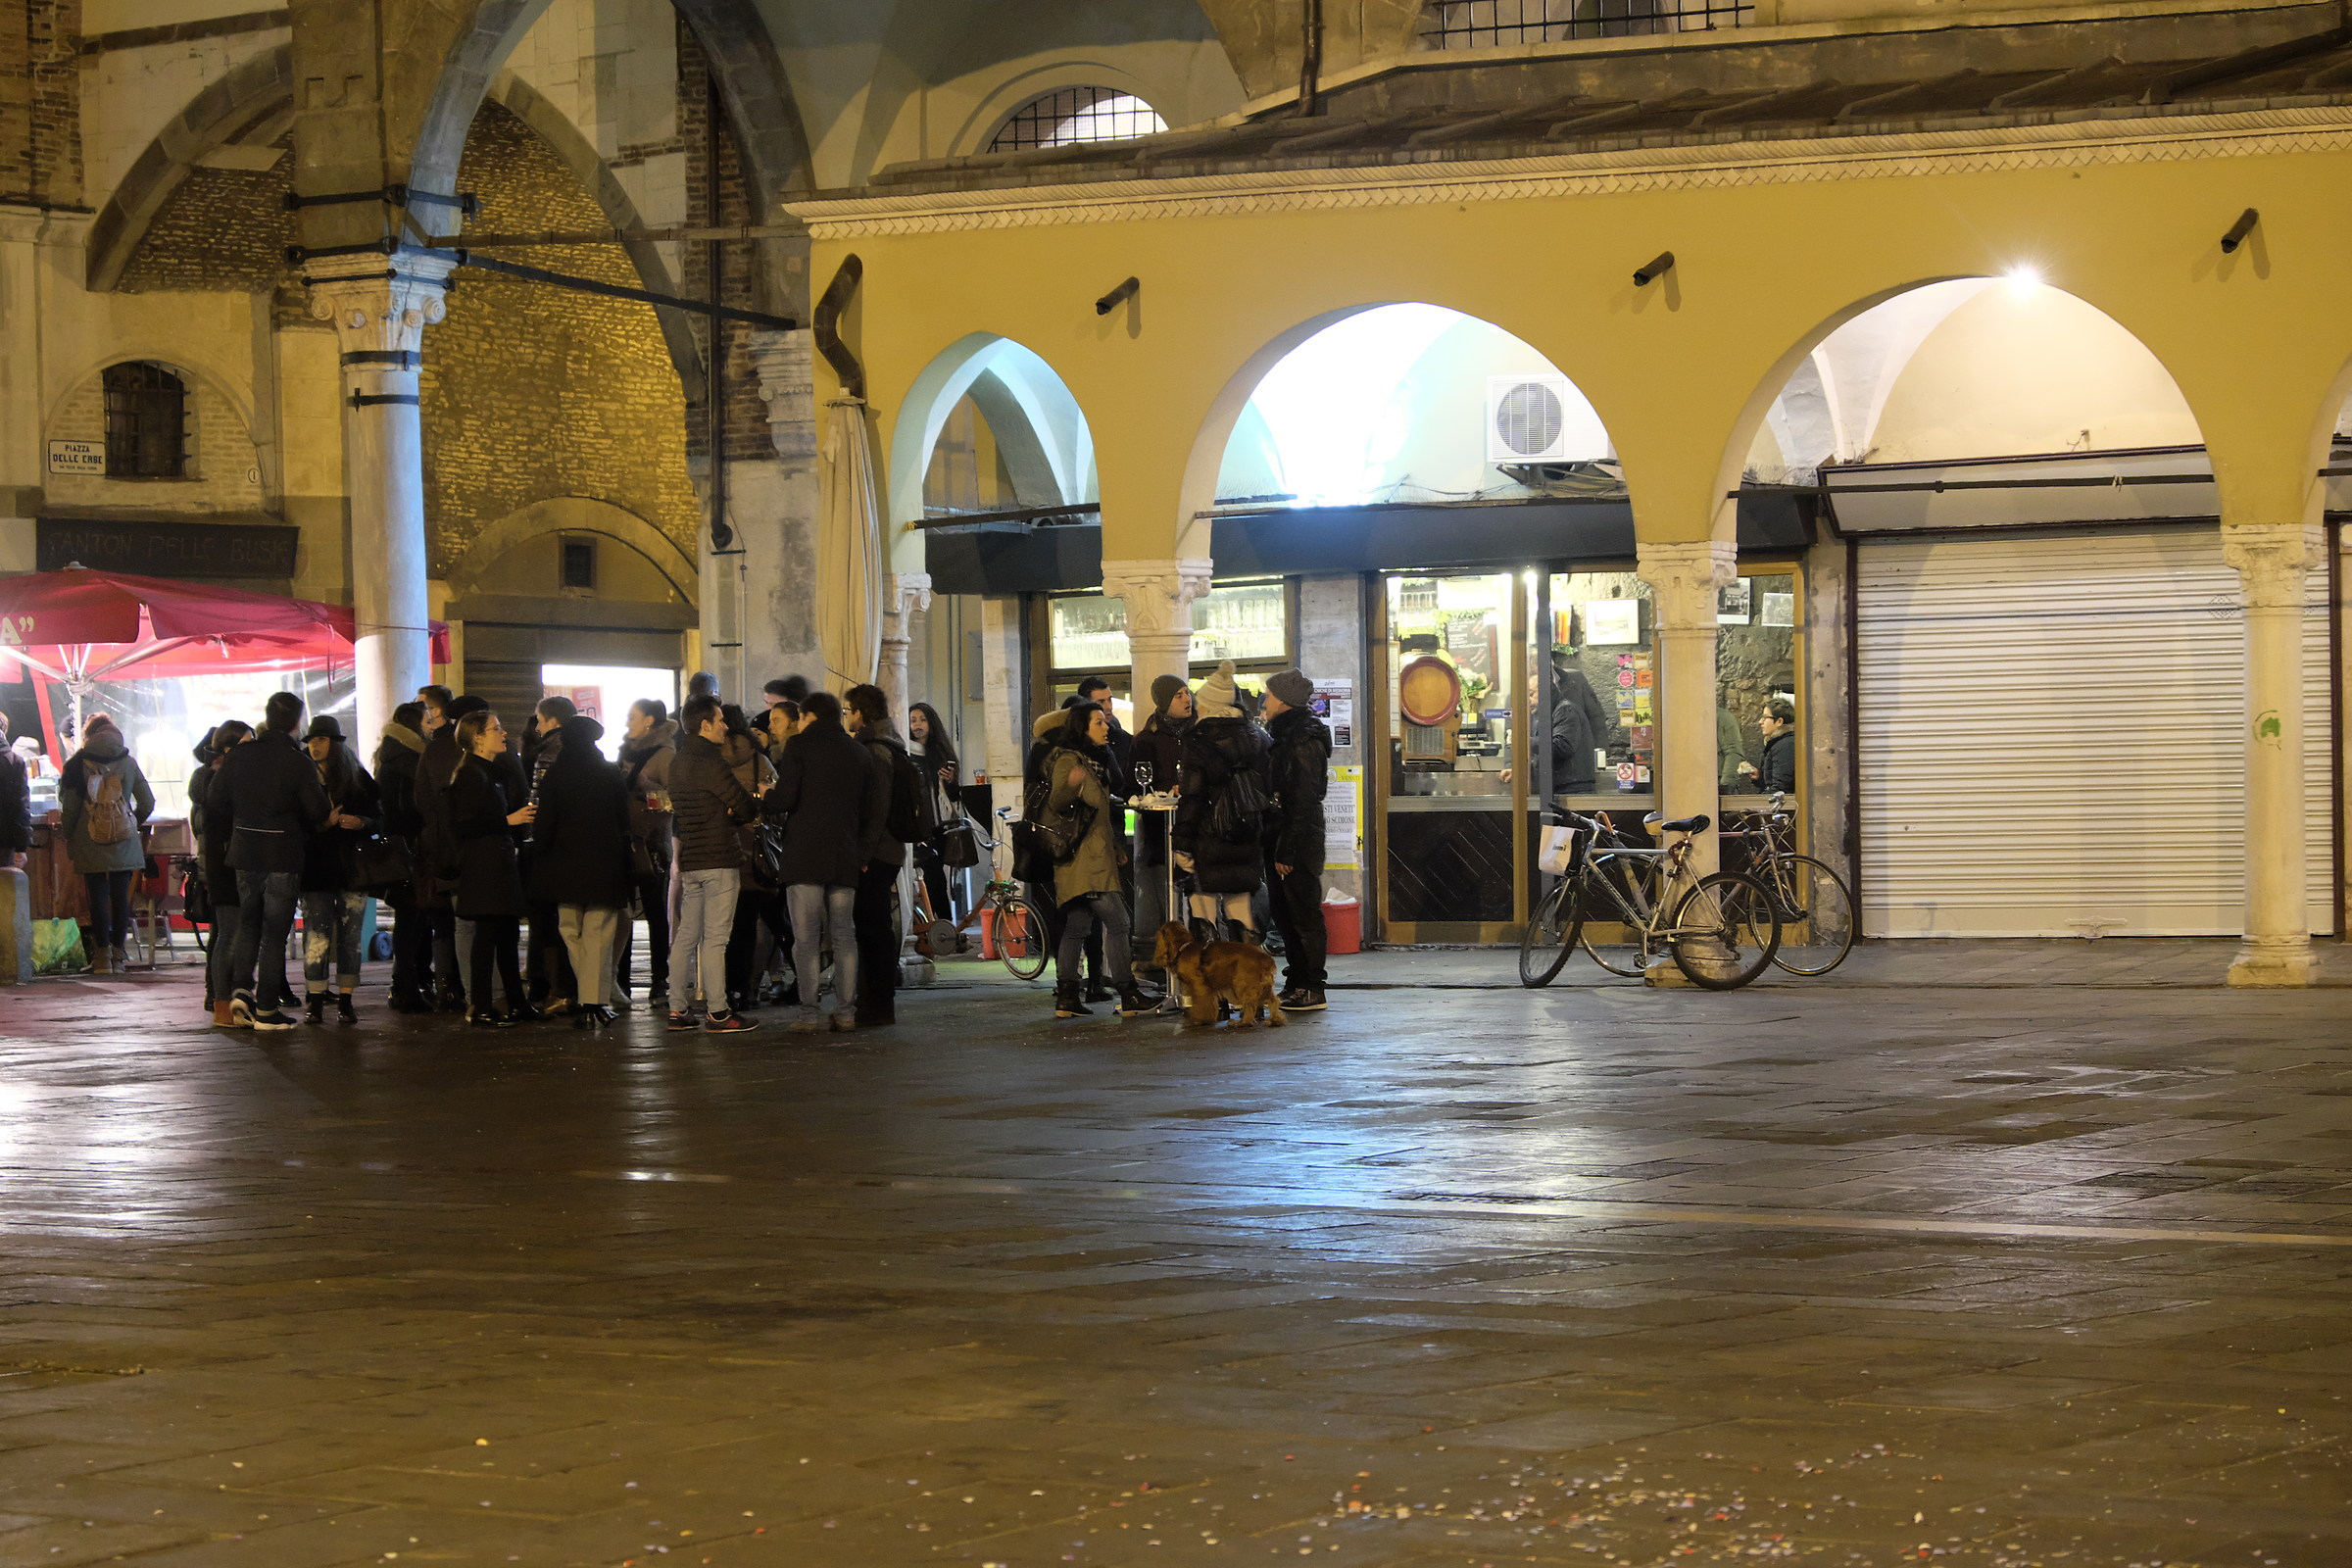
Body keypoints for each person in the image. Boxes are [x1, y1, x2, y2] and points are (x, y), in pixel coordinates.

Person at [768, 690, 883, 1034]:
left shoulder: (799, 747)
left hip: (805, 855)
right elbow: (868, 809)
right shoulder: (859, 752)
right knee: (844, 936)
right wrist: (862, 852)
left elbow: (785, 798)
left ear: (809, 717)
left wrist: (766, 794)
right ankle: (846, 1012)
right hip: (844, 854)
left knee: (806, 938)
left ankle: (808, 1014)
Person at [219, 691, 329, 1030]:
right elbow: (318, 811)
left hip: (245, 851)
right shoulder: (298, 762)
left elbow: (214, 799)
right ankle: (267, 1008)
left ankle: (241, 990)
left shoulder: (239, 756)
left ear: (267, 716)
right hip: (282, 853)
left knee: (249, 924)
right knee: (274, 934)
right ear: (297, 722)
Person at [1041, 704, 1153, 1019]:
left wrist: (1115, 846)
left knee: (1077, 926)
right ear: (1082, 727)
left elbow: (1097, 815)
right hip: (1085, 862)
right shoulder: (1070, 760)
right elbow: (1057, 803)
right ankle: (1128, 993)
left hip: (1092, 857)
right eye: (1098, 722)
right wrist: (1071, 784)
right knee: (1119, 923)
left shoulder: (1094, 760)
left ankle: (1067, 999)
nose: (1106, 727)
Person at [664, 694, 761, 1034]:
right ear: (704, 725)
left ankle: (677, 1008)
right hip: (719, 859)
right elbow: (746, 806)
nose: (726, 726)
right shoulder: (711, 763)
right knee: (716, 939)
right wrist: (732, 814)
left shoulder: (677, 763)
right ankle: (718, 1011)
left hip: (691, 859)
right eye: (720, 720)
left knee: (686, 936)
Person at [530, 713, 632, 1029]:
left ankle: (590, 998)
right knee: (598, 934)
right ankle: (594, 1000)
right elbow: (624, 821)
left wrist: (541, 856)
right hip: (604, 866)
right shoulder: (609, 773)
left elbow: (544, 825)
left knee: (570, 930)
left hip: (563, 869)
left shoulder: (555, 775)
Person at [447, 708, 537, 1028]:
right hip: (484, 865)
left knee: (507, 933)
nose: (503, 733)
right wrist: (508, 820)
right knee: (487, 935)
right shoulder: (470, 774)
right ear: (477, 737)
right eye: (496, 728)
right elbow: (464, 824)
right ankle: (480, 1005)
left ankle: (516, 1002)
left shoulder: (489, 771)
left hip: (497, 862)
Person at [1172, 661, 1269, 945]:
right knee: (1240, 906)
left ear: (1208, 705)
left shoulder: (1199, 740)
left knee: (1204, 908)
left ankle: (1210, 969)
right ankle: (1248, 967)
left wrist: (1182, 842)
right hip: (1247, 833)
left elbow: (1193, 797)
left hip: (1208, 836)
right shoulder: (1258, 738)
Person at [298, 715, 380, 1024]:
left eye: (321, 739)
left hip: (352, 868)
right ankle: (316, 999)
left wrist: (362, 823)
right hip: (315, 869)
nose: (315, 746)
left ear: (335, 743)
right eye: (311, 740)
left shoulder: (356, 776)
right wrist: (323, 824)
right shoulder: (301, 776)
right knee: (316, 935)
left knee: (350, 936)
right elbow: (294, 823)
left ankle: (346, 999)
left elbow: (379, 818)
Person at [59, 714, 155, 978]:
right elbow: (147, 801)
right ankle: (119, 955)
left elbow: (70, 809)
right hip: (124, 841)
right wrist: (131, 823)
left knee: (98, 897)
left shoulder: (76, 764)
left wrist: (71, 835)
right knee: (121, 897)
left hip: (89, 840)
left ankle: (102, 957)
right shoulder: (129, 763)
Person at [843, 683, 916, 1027]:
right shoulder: (891, 743)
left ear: (860, 713)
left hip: (878, 851)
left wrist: (863, 853)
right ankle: (877, 1000)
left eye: (849, 711)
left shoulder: (875, 751)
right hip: (888, 849)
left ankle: (879, 1002)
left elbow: (877, 807)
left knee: (873, 929)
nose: (847, 717)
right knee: (876, 927)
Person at [1259, 669, 1333, 1012]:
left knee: (1302, 915)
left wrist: (1286, 851)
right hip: (1281, 836)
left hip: (1296, 840)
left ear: (1285, 700)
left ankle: (1312, 987)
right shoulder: (1284, 734)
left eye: (1270, 695)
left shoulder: (1302, 739)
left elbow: (1302, 800)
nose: (1265, 701)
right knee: (1286, 916)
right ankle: (1298, 980)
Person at [414, 693, 487, 1013]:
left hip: (440, 848)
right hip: (478, 847)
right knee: (477, 922)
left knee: (446, 922)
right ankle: (480, 990)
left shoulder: (434, 749)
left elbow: (421, 799)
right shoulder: (482, 750)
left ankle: (446, 987)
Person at [718, 702, 785, 1012]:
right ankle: (746, 989)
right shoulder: (759, 760)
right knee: (752, 924)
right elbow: (777, 805)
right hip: (756, 852)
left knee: (723, 927)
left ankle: (726, 989)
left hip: (721, 849)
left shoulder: (711, 760)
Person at [614, 698, 678, 1008]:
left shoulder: (665, 755)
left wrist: (646, 789)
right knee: (623, 913)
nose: (628, 722)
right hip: (625, 842)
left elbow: (674, 802)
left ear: (649, 721)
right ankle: (621, 981)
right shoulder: (624, 753)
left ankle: (659, 980)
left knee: (655, 913)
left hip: (652, 845)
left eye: (633, 716)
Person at [188, 720, 252, 1023]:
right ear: (227, 748)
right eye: (246, 743)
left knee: (224, 934)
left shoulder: (215, 779)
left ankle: (222, 998)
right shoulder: (215, 782)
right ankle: (222, 1002)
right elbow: (209, 832)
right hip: (224, 865)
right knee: (228, 935)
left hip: (226, 864)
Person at [1128, 675, 1193, 967]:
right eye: (1178, 695)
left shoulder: (1199, 733)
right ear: (1164, 701)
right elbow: (1132, 786)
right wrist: (1161, 792)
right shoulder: (1146, 739)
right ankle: (1166, 962)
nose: (1186, 699)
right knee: (1166, 901)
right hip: (1159, 832)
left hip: (1194, 829)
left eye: (1187, 693)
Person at [374, 703, 434, 1012]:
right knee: (413, 918)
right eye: (427, 721)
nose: (431, 726)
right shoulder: (409, 760)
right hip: (411, 850)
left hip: (401, 848)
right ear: (415, 725)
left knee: (412, 918)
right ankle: (406, 987)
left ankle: (409, 983)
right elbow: (412, 808)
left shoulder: (390, 754)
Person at [522, 696, 578, 1012]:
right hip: (569, 849)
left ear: (554, 722)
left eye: (540, 720)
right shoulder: (580, 754)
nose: (537, 727)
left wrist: (533, 836)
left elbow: (539, 804)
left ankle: (551, 988)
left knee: (546, 922)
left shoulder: (548, 755)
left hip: (547, 849)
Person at [906, 702, 960, 924]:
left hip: (941, 826)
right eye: (913, 720)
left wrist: (951, 780)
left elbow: (954, 796)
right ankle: (944, 926)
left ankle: (940, 926)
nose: (917, 725)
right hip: (919, 827)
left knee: (938, 878)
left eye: (922, 720)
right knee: (934, 878)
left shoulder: (940, 754)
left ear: (931, 723)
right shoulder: (906, 754)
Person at [1548, 654, 1611, 795]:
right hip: (1548, 774)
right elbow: (1512, 730)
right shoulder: (1524, 688)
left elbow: (1596, 717)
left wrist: (1601, 754)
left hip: (1576, 771)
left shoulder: (1575, 679)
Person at [1749, 699, 1798, 796]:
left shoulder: (1785, 746)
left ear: (1779, 721)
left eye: (1765, 717)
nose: (1760, 722)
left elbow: (1781, 787)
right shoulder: (1779, 743)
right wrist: (1759, 776)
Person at [0, 712, 28, 871]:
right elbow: (20, 807)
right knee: (5, 884)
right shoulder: (15, 762)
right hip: (5, 841)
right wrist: (21, 847)